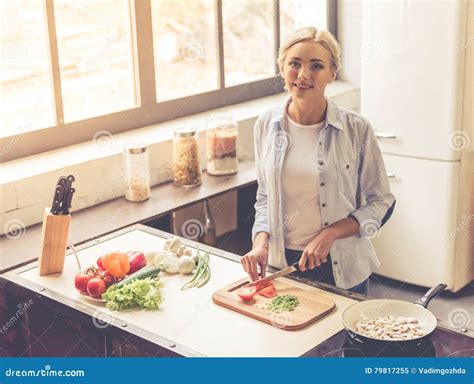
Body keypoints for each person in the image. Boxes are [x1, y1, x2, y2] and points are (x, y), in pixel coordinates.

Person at [241, 27, 396, 296]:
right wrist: (260, 242)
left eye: (316, 66)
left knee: (345, 339)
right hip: (283, 266)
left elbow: (382, 202)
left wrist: (331, 233)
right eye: (294, 64)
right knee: (288, 335)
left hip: (342, 266)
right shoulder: (265, 125)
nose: (303, 75)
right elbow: (265, 196)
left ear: (332, 74)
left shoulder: (357, 129)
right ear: (282, 68)